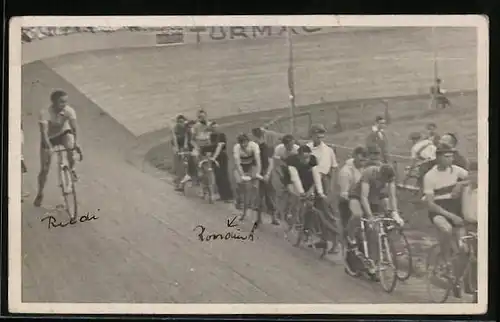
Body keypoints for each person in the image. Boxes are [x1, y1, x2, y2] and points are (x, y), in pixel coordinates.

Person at [423, 144, 471, 296]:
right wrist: (450, 216)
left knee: (463, 248)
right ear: (438, 157)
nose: (450, 159)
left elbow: (474, 178)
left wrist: (460, 183)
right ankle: (444, 259)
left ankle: (456, 279)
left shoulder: (457, 170)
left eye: (451, 156)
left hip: (456, 209)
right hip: (439, 210)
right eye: (446, 156)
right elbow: (430, 204)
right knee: (446, 229)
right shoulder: (430, 176)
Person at [347, 163, 404, 276]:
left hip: (374, 199)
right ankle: (350, 236)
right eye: (383, 180)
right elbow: (363, 197)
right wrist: (370, 216)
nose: (385, 183)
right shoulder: (370, 173)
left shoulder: (390, 177)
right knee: (358, 214)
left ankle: (373, 261)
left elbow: (392, 196)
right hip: (357, 196)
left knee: (375, 230)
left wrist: (395, 213)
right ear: (380, 175)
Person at [34, 90, 81, 207]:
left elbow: (74, 129)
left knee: (70, 144)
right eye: (61, 102)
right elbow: (44, 134)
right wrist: (49, 148)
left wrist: (76, 144)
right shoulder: (45, 112)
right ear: (53, 102)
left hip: (63, 134)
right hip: (49, 138)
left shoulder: (69, 111)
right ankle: (40, 193)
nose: (64, 104)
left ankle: (72, 169)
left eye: (66, 101)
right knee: (44, 169)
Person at [283, 145, 334, 252]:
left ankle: (307, 230)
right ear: (299, 156)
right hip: (293, 181)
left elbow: (316, 177)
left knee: (310, 207)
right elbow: (294, 179)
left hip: (308, 181)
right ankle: (292, 219)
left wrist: (318, 192)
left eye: (308, 157)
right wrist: (301, 193)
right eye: (304, 158)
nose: (306, 160)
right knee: (297, 201)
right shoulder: (292, 160)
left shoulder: (312, 159)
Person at [338, 146, 368, 245]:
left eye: (364, 160)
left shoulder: (365, 169)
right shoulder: (346, 171)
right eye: (360, 160)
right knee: (353, 221)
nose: (362, 163)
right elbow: (344, 193)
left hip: (361, 199)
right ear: (354, 156)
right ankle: (347, 239)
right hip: (347, 201)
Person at [251, 127, 279, 225]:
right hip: (262, 172)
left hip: (265, 172)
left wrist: (266, 174)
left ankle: (271, 217)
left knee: (267, 194)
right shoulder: (256, 147)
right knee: (263, 194)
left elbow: (270, 162)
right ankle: (262, 218)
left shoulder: (266, 147)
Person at [271, 134, 300, 220]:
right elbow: (276, 165)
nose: (291, 147)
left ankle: (291, 214)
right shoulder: (279, 149)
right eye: (289, 146)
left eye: (292, 144)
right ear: (284, 145)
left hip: (293, 172)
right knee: (280, 194)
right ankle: (276, 213)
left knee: (294, 194)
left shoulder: (297, 149)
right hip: (282, 171)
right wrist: (281, 176)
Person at [306, 124, 338, 197]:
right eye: (317, 137)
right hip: (306, 177)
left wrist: (331, 186)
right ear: (312, 135)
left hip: (321, 180)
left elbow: (331, 169)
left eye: (321, 137)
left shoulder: (327, 150)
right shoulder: (306, 147)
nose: (319, 139)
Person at [233, 133, 262, 210]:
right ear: (239, 143)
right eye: (241, 143)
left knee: (255, 185)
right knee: (240, 183)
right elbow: (237, 163)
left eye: (245, 142)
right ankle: (239, 200)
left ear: (248, 141)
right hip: (241, 165)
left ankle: (253, 203)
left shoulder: (254, 145)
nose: (243, 145)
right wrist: (242, 175)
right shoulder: (236, 147)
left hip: (251, 165)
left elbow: (258, 161)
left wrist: (258, 173)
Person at [208, 121, 233, 203]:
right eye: (213, 127)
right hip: (214, 158)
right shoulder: (211, 136)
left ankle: (228, 196)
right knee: (217, 176)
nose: (215, 129)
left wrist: (214, 157)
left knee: (223, 175)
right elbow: (211, 146)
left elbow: (219, 147)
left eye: (216, 127)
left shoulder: (221, 135)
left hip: (221, 157)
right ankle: (222, 195)